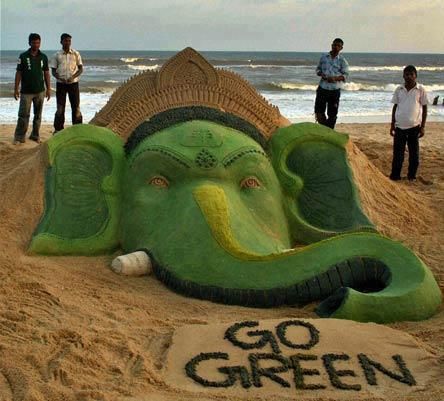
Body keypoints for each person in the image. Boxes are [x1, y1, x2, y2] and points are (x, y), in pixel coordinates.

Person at [389, 65, 428, 181]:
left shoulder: (420, 89)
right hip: (399, 127)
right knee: (398, 155)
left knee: (414, 155)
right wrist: (392, 124)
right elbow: (395, 106)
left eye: (411, 74)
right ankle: (395, 176)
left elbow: (425, 108)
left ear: (416, 76)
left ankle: (411, 176)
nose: (409, 76)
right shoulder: (399, 89)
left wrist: (423, 127)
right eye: (406, 74)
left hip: (414, 127)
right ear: (403, 76)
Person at [13, 33, 51, 144]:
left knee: (38, 115)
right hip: (26, 92)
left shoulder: (43, 57)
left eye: (38, 42)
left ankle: (35, 135)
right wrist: (16, 89)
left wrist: (48, 88)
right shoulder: (23, 56)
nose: (36, 44)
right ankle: (19, 137)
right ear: (29, 43)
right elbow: (18, 73)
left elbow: (47, 73)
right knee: (23, 115)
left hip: (40, 91)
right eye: (34, 42)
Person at [50, 33, 83, 132]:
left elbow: (81, 69)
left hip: (73, 84)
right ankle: (58, 130)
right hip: (61, 85)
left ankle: (77, 130)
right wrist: (59, 77)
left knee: (76, 108)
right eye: (65, 40)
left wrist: (73, 77)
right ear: (61, 42)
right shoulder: (56, 55)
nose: (67, 42)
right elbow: (53, 71)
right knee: (60, 108)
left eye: (69, 41)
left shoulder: (76, 54)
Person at [314, 38, 349, 129]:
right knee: (319, 112)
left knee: (332, 114)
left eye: (338, 46)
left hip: (334, 90)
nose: (336, 47)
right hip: (323, 88)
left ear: (341, 48)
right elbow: (318, 70)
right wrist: (322, 75)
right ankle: (324, 128)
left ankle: (329, 131)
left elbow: (345, 75)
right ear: (331, 45)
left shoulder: (342, 60)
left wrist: (335, 78)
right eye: (334, 45)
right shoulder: (324, 57)